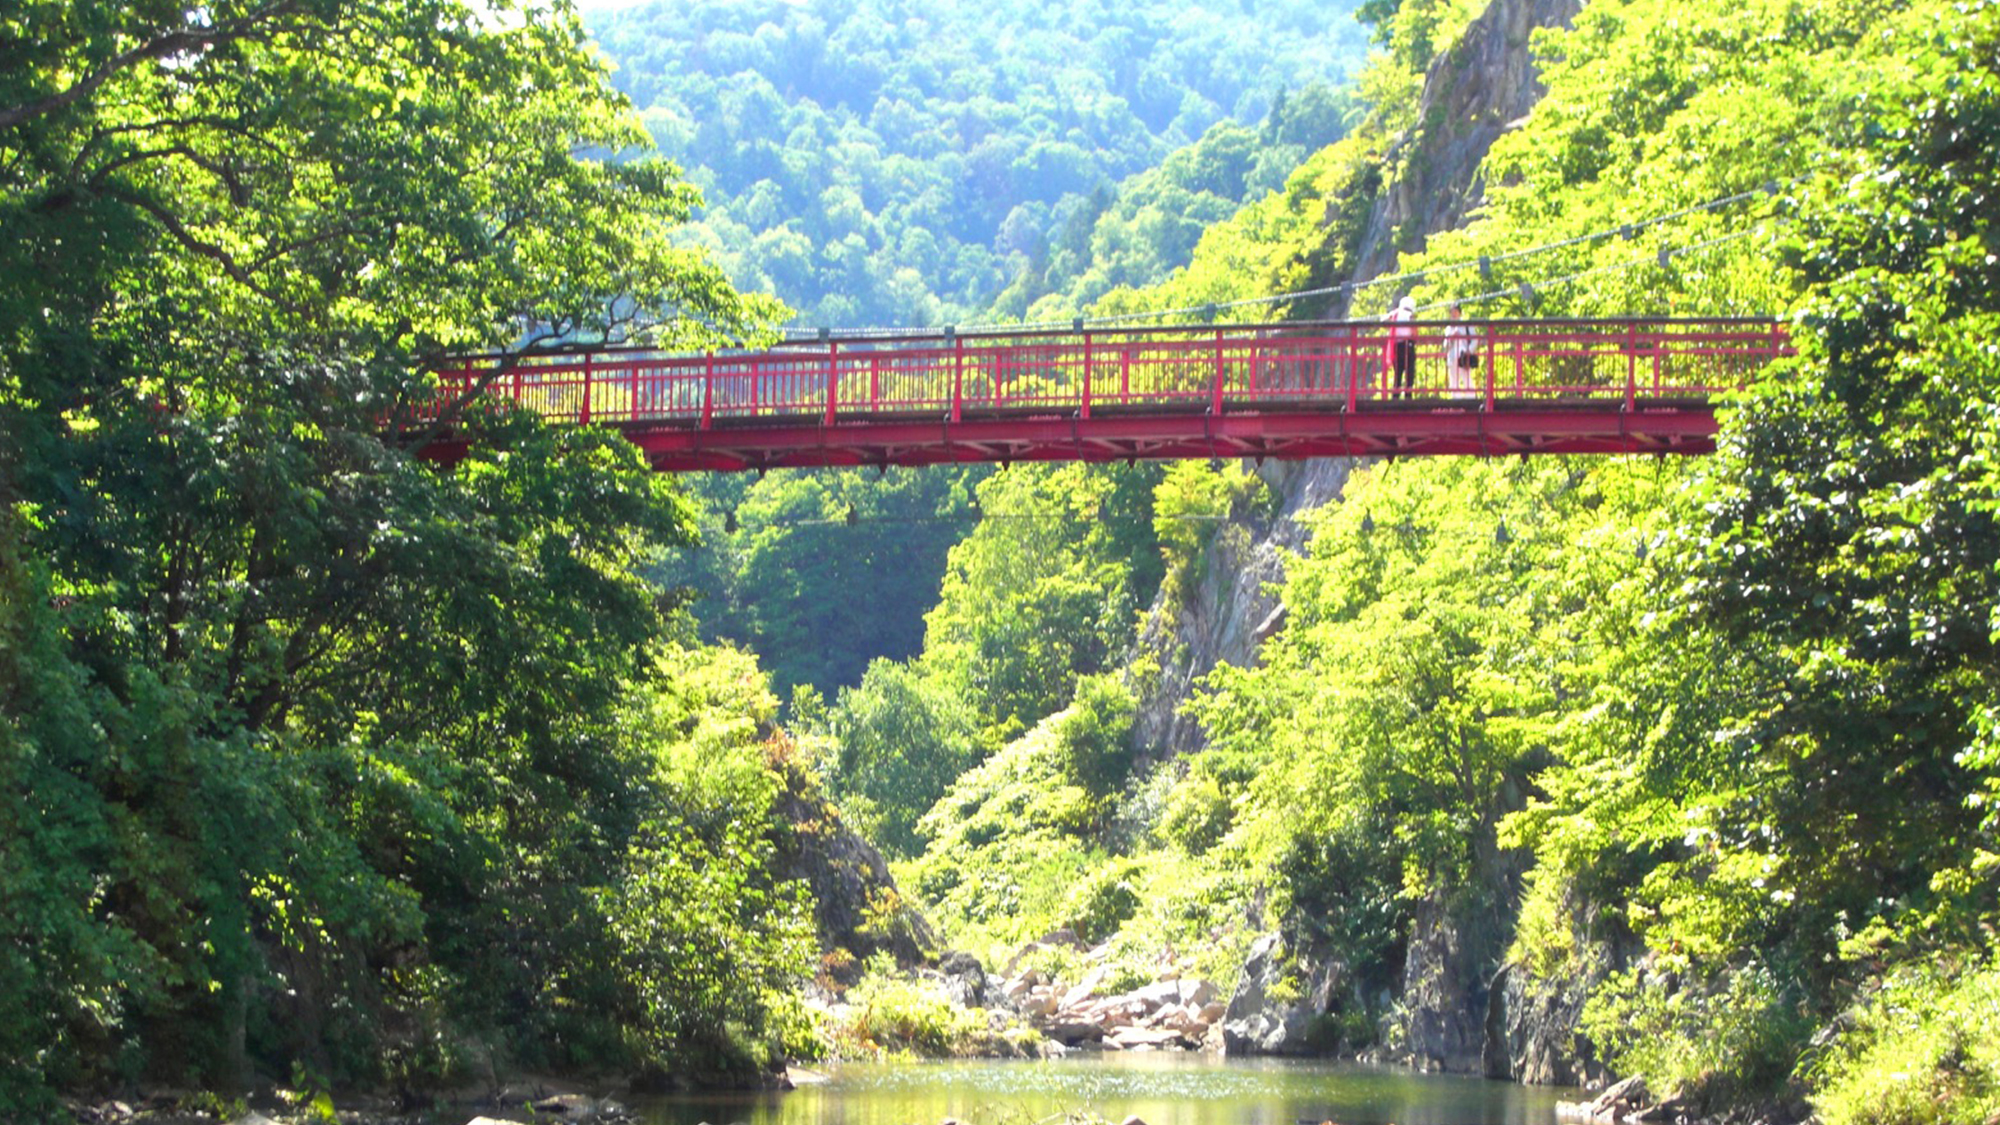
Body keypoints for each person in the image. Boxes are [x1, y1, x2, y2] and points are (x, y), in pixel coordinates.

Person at [1442, 302, 1480, 396]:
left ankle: (1470, 399)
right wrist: (1451, 338)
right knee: (1454, 381)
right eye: (1452, 312)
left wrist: (1469, 351)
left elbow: (1475, 339)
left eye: (1455, 311)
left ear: (1459, 312)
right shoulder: (1448, 328)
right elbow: (1445, 345)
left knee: (1466, 378)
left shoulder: (1466, 325)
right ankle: (1456, 401)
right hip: (1452, 356)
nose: (1454, 314)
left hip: (1463, 355)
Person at [1385, 294, 1417, 397]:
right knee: (1409, 373)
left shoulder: (1395, 314)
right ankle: (1408, 396)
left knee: (1397, 373)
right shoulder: (1410, 316)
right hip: (1408, 345)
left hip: (1397, 346)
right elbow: (1414, 332)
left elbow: (1383, 320)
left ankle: (1395, 396)